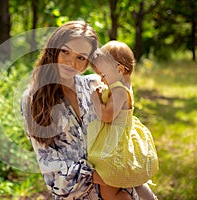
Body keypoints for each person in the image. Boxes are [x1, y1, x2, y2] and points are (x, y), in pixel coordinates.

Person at [21, 21, 138, 199]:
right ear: (54, 49)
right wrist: (108, 176)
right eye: (65, 52)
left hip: (121, 191)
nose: (71, 63)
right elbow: (50, 166)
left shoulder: (96, 86)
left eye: (81, 57)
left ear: (88, 62)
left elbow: (123, 132)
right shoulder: (32, 99)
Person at [88, 40, 158, 200]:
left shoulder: (119, 91)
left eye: (103, 75)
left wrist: (96, 100)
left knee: (109, 187)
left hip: (117, 143)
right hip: (120, 136)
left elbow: (107, 116)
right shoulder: (123, 85)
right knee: (134, 179)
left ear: (119, 69)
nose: (102, 80)